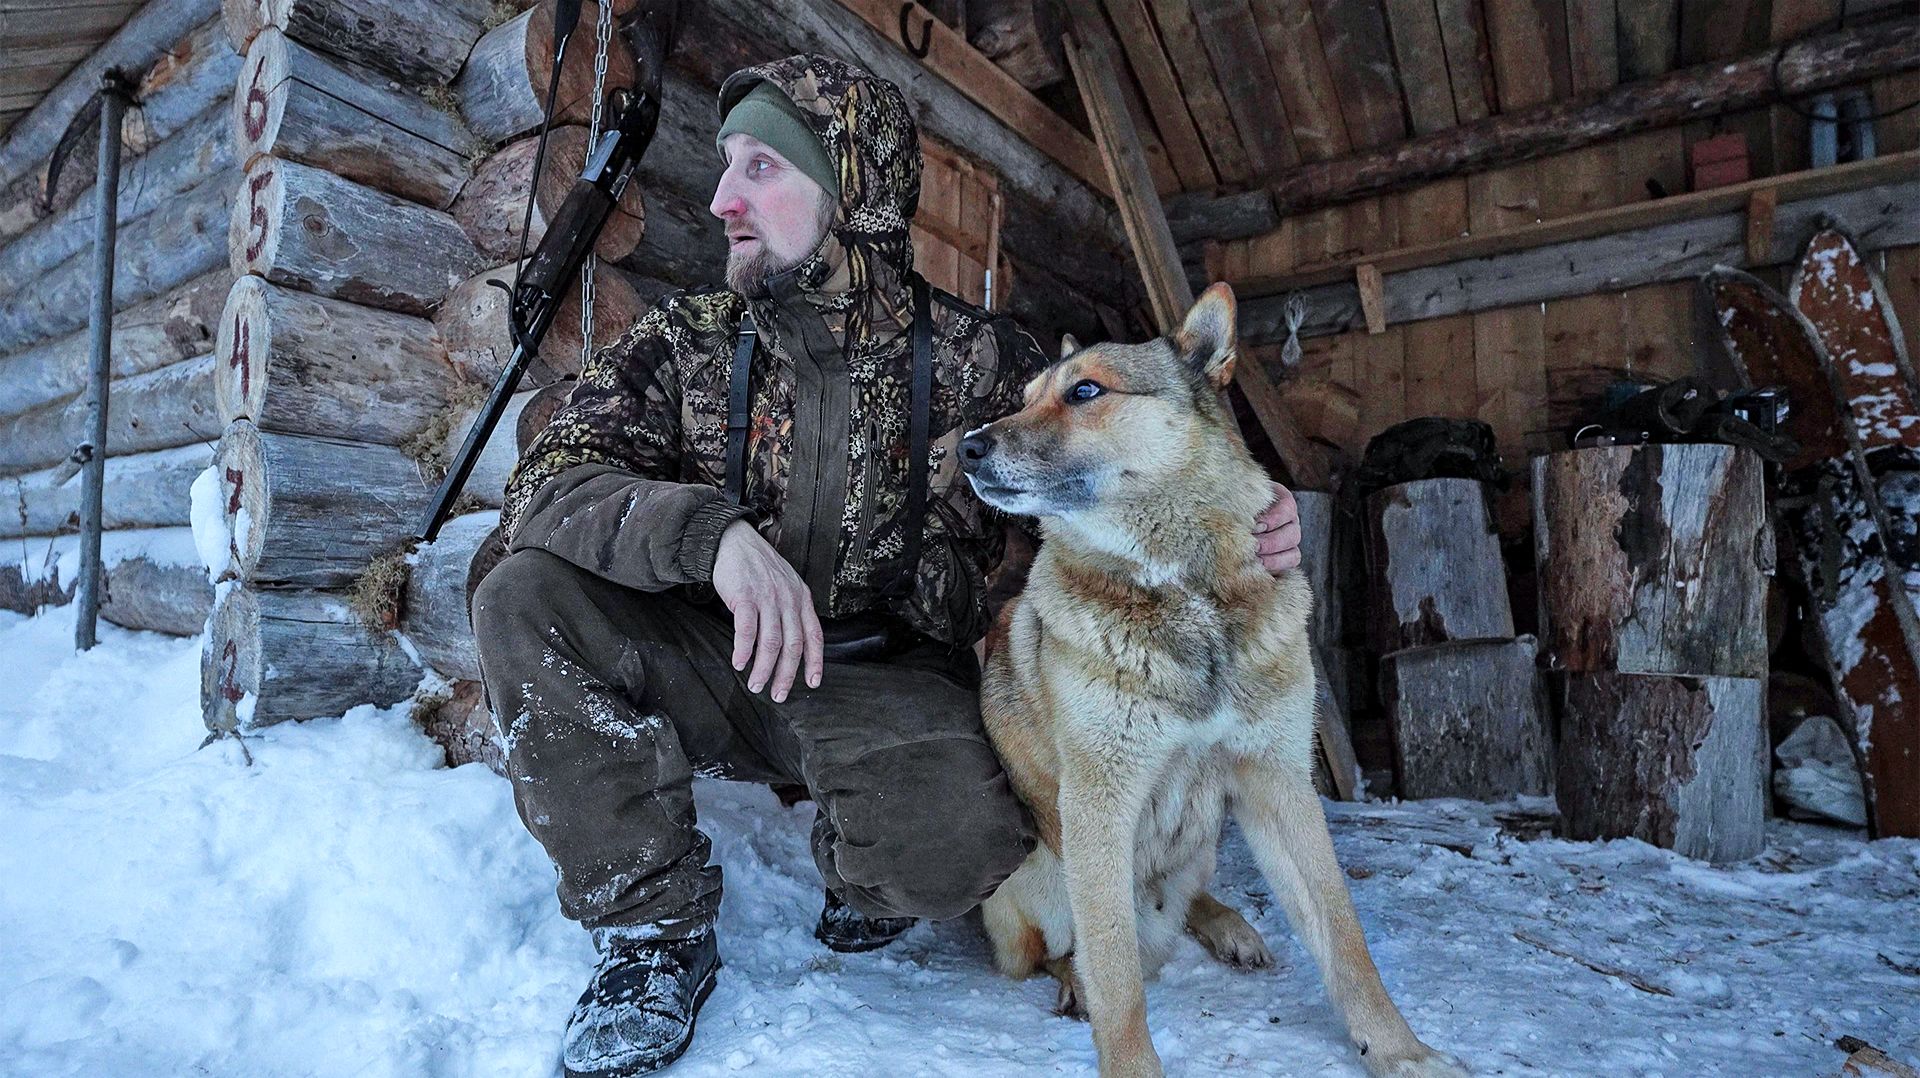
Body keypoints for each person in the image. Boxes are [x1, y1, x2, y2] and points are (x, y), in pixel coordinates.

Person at [471, 54, 1304, 1078]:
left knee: (958, 844)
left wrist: (1248, 523)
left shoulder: (984, 365)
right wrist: (713, 538)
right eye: (726, 164)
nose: (723, 196)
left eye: (763, 167)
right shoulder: (681, 344)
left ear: (853, 188)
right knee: (523, 590)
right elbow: (551, 479)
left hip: (877, 684)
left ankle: (859, 874)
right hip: (704, 654)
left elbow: (1145, 451)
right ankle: (649, 931)